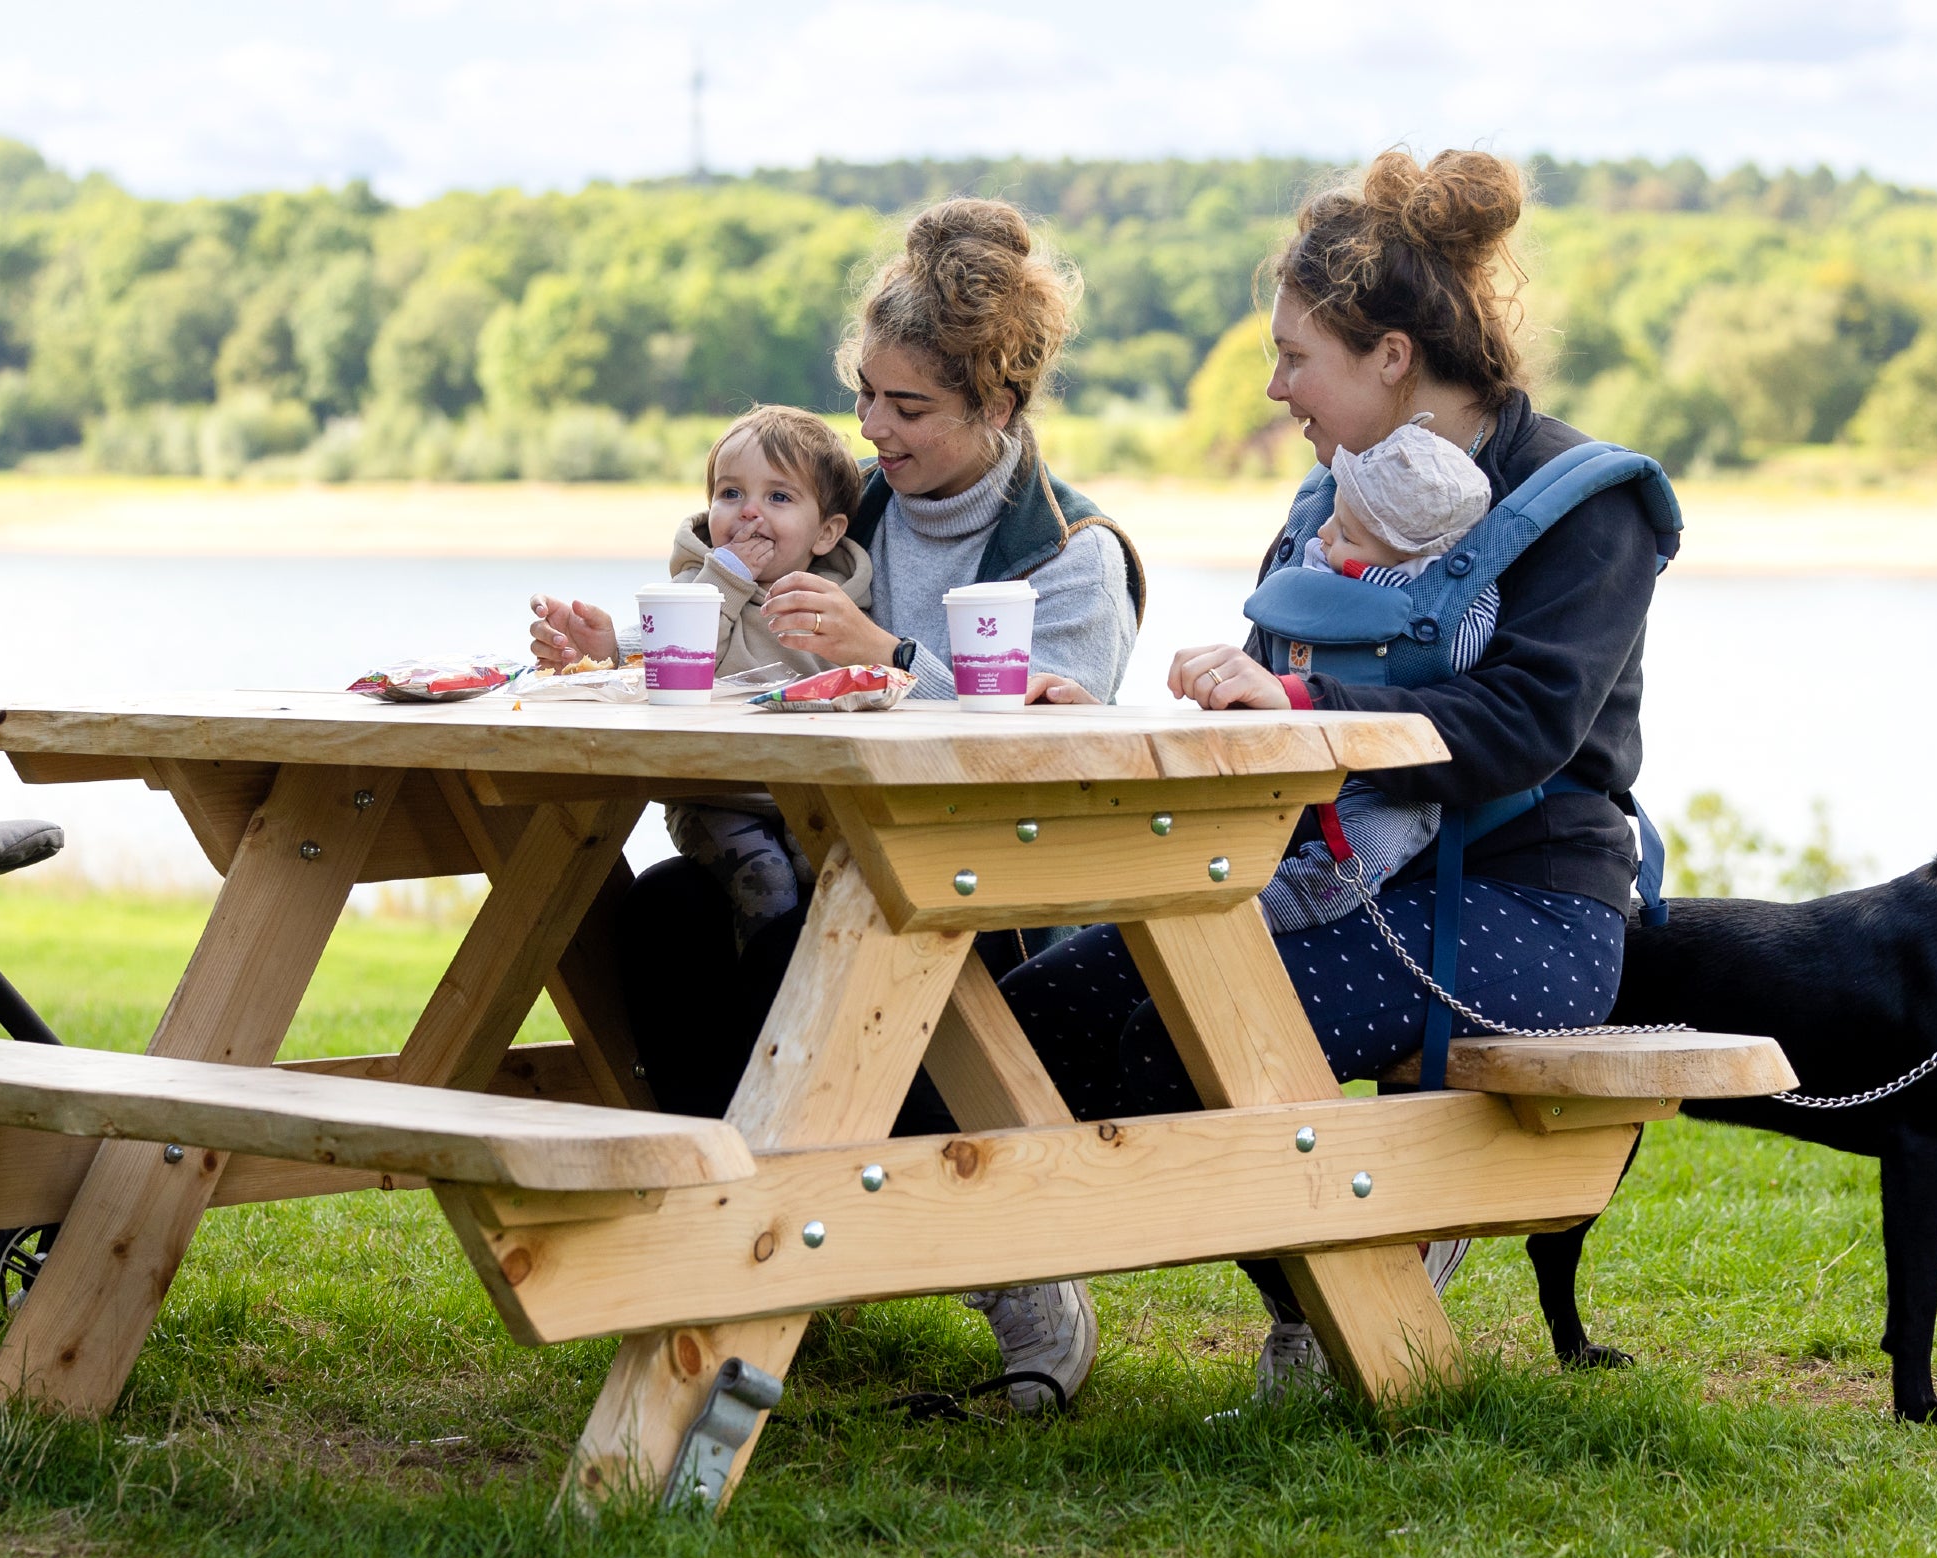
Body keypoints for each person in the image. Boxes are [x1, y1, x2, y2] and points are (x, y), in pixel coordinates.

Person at [1010, 147, 1671, 1404]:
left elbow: (1525, 724)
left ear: (1392, 357)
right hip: (1327, 878)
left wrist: (1307, 701)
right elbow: (1273, 696)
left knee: (1183, 1031)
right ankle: (1328, 1280)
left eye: (1295, 357)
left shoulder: (1591, 505)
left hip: (1527, 904)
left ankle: (1356, 1289)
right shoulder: (1323, 505)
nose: (1276, 389)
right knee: (1044, 1017)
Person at [527, 197, 1144, 1413]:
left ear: (998, 410)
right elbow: (714, 584)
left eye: (907, 408)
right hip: (806, 866)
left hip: (982, 899)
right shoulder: (832, 501)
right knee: (655, 916)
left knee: (820, 933)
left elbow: (1057, 761)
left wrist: (891, 655)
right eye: (866, 397)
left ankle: (993, 1257)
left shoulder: (1073, 555)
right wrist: (627, 649)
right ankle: (747, 1231)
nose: (872, 430)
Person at [533, 405, 870, 946]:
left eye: (778, 497)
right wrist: (727, 578)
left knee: (831, 868)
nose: (749, 514)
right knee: (768, 879)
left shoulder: (842, 600)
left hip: (807, 789)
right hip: (715, 794)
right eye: (730, 494)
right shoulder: (697, 585)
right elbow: (679, 657)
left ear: (827, 532)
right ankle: (755, 999)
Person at [1256, 412, 1498, 935]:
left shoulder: (1452, 598)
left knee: (1357, 857)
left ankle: (1274, 908)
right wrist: (1348, 559)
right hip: (1305, 761)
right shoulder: (1324, 557)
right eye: (1332, 520)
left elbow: (1466, 646)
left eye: (1345, 533)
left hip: (1397, 788)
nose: (1323, 536)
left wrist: (1378, 581)